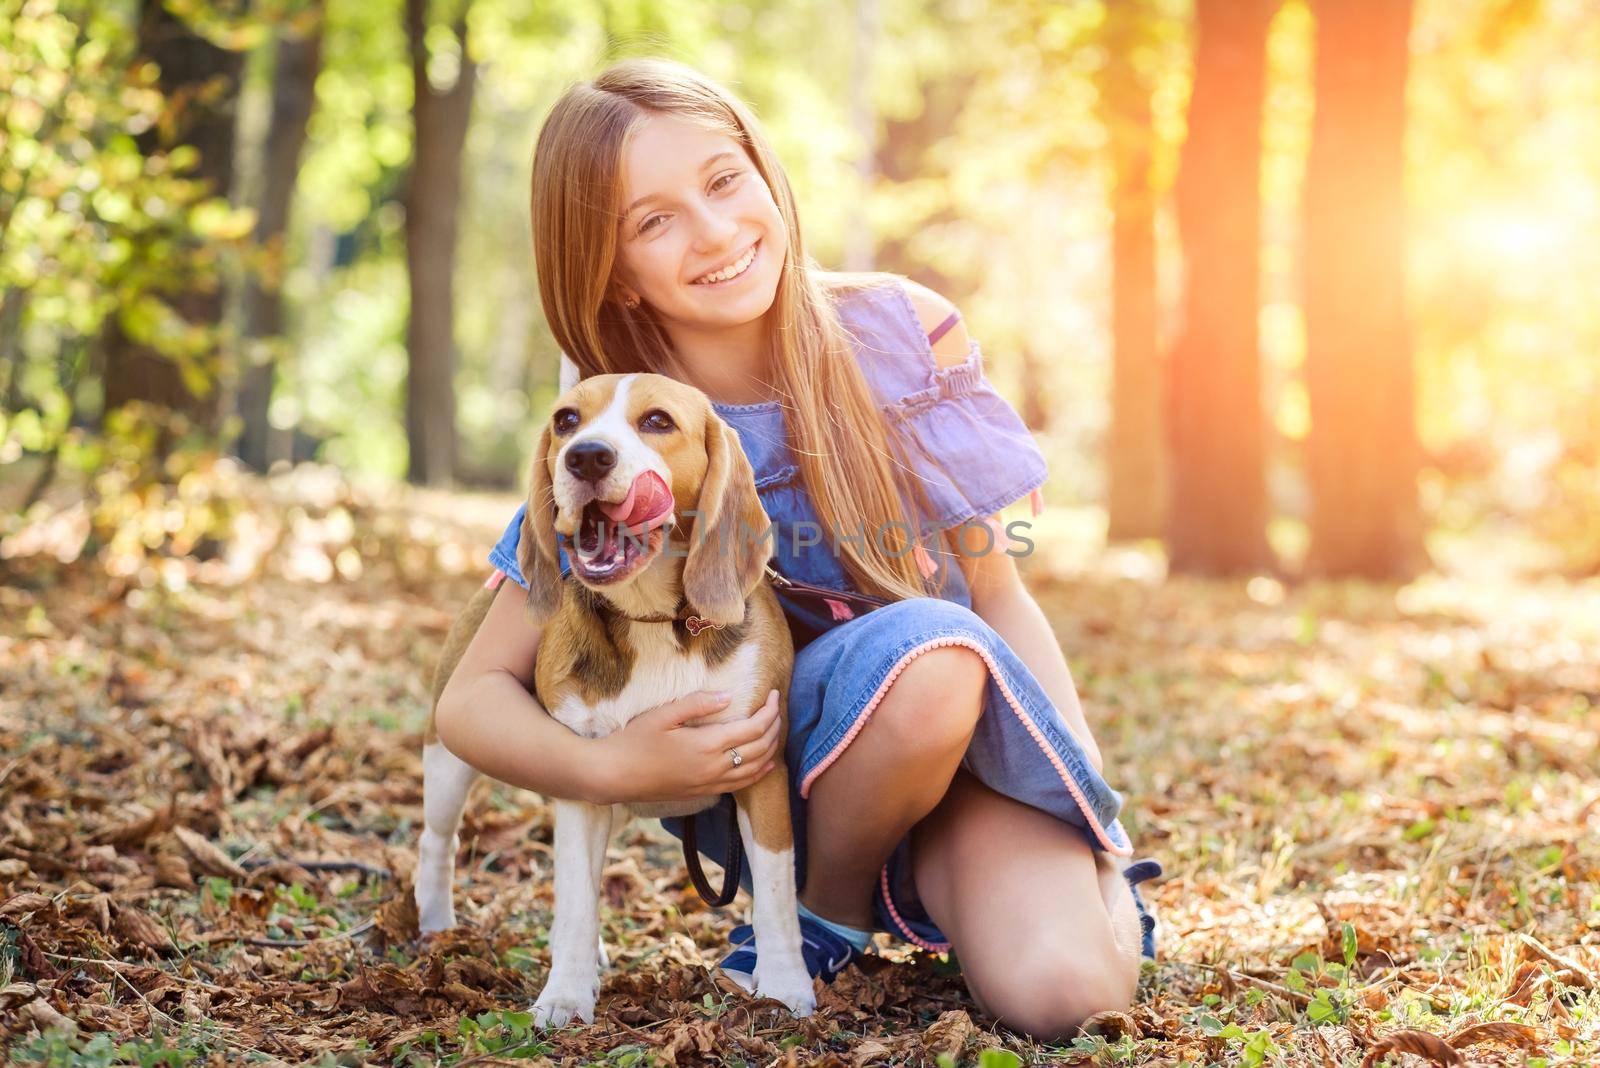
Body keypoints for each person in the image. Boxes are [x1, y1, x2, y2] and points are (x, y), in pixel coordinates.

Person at [433, 56, 1163, 1040]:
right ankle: (826, 913)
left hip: (961, 767)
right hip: (796, 792)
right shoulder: (621, 429)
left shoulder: (908, 336)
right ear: (608, 266)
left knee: (1068, 998)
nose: (715, 231)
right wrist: (609, 771)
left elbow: (1002, 602)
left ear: (762, 168)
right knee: (931, 662)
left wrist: (1099, 834)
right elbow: (469, 700)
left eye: (723, 180)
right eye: (653, 221)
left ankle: (1074, 887)